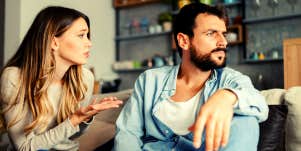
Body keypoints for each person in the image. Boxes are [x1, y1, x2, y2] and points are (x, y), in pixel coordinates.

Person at [114, 3, 268, 151]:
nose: (223, 42)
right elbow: (128, 133)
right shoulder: (150, 80)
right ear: (184, 41)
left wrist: (227, 96)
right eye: (211, 33)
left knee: (247, 121)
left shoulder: (231, 80)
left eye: (223, 34)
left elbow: (260, 105)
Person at [0, 6, 123, 151]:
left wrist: (85, 118)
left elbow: (71, 138)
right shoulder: (14, 78)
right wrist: (73, 121)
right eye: (81, 35)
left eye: (88, 35)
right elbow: (24, 147)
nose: (89, 43)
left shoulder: (84, 78)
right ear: (54, 42)